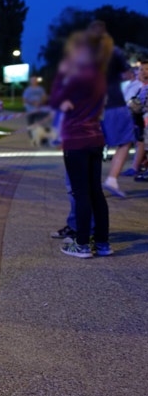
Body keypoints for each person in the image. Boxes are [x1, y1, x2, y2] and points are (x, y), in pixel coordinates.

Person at [49, 31, 111, 258]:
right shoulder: (99, 78)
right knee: (96, 192)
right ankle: (103, 243)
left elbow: (60, 104)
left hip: (76, 140)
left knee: (81, 193)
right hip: (96, 139)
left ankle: (82, 244)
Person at [87, 21, 133, 198]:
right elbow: (127, 74)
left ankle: (90, 184)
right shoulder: (113, 52)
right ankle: (112, 179)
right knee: (125, 141)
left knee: (96, 145)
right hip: (115, 103)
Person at [122, 62, 147, 177]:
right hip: (139, 119)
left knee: (141, 142)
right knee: (140, 142)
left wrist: (132, 104)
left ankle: (136, 167)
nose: (141, 72)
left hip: (144, 119)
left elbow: (138, 104)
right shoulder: (142, 86)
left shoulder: (143, 87)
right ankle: (137, 166)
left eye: (144, 69)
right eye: (140, 69)